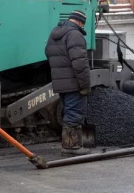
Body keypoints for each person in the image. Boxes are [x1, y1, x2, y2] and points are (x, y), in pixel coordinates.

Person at [44, 10, 91, 156]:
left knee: (68, 111)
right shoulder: (74, 35)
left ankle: (70, 145)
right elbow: (80, 63)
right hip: (73, 82)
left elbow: (47, 52)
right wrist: (85, 85)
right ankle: (71, 146)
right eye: (83, 23)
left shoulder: (55, 33)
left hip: (60, 82)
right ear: (79, 22)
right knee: (75, 112)